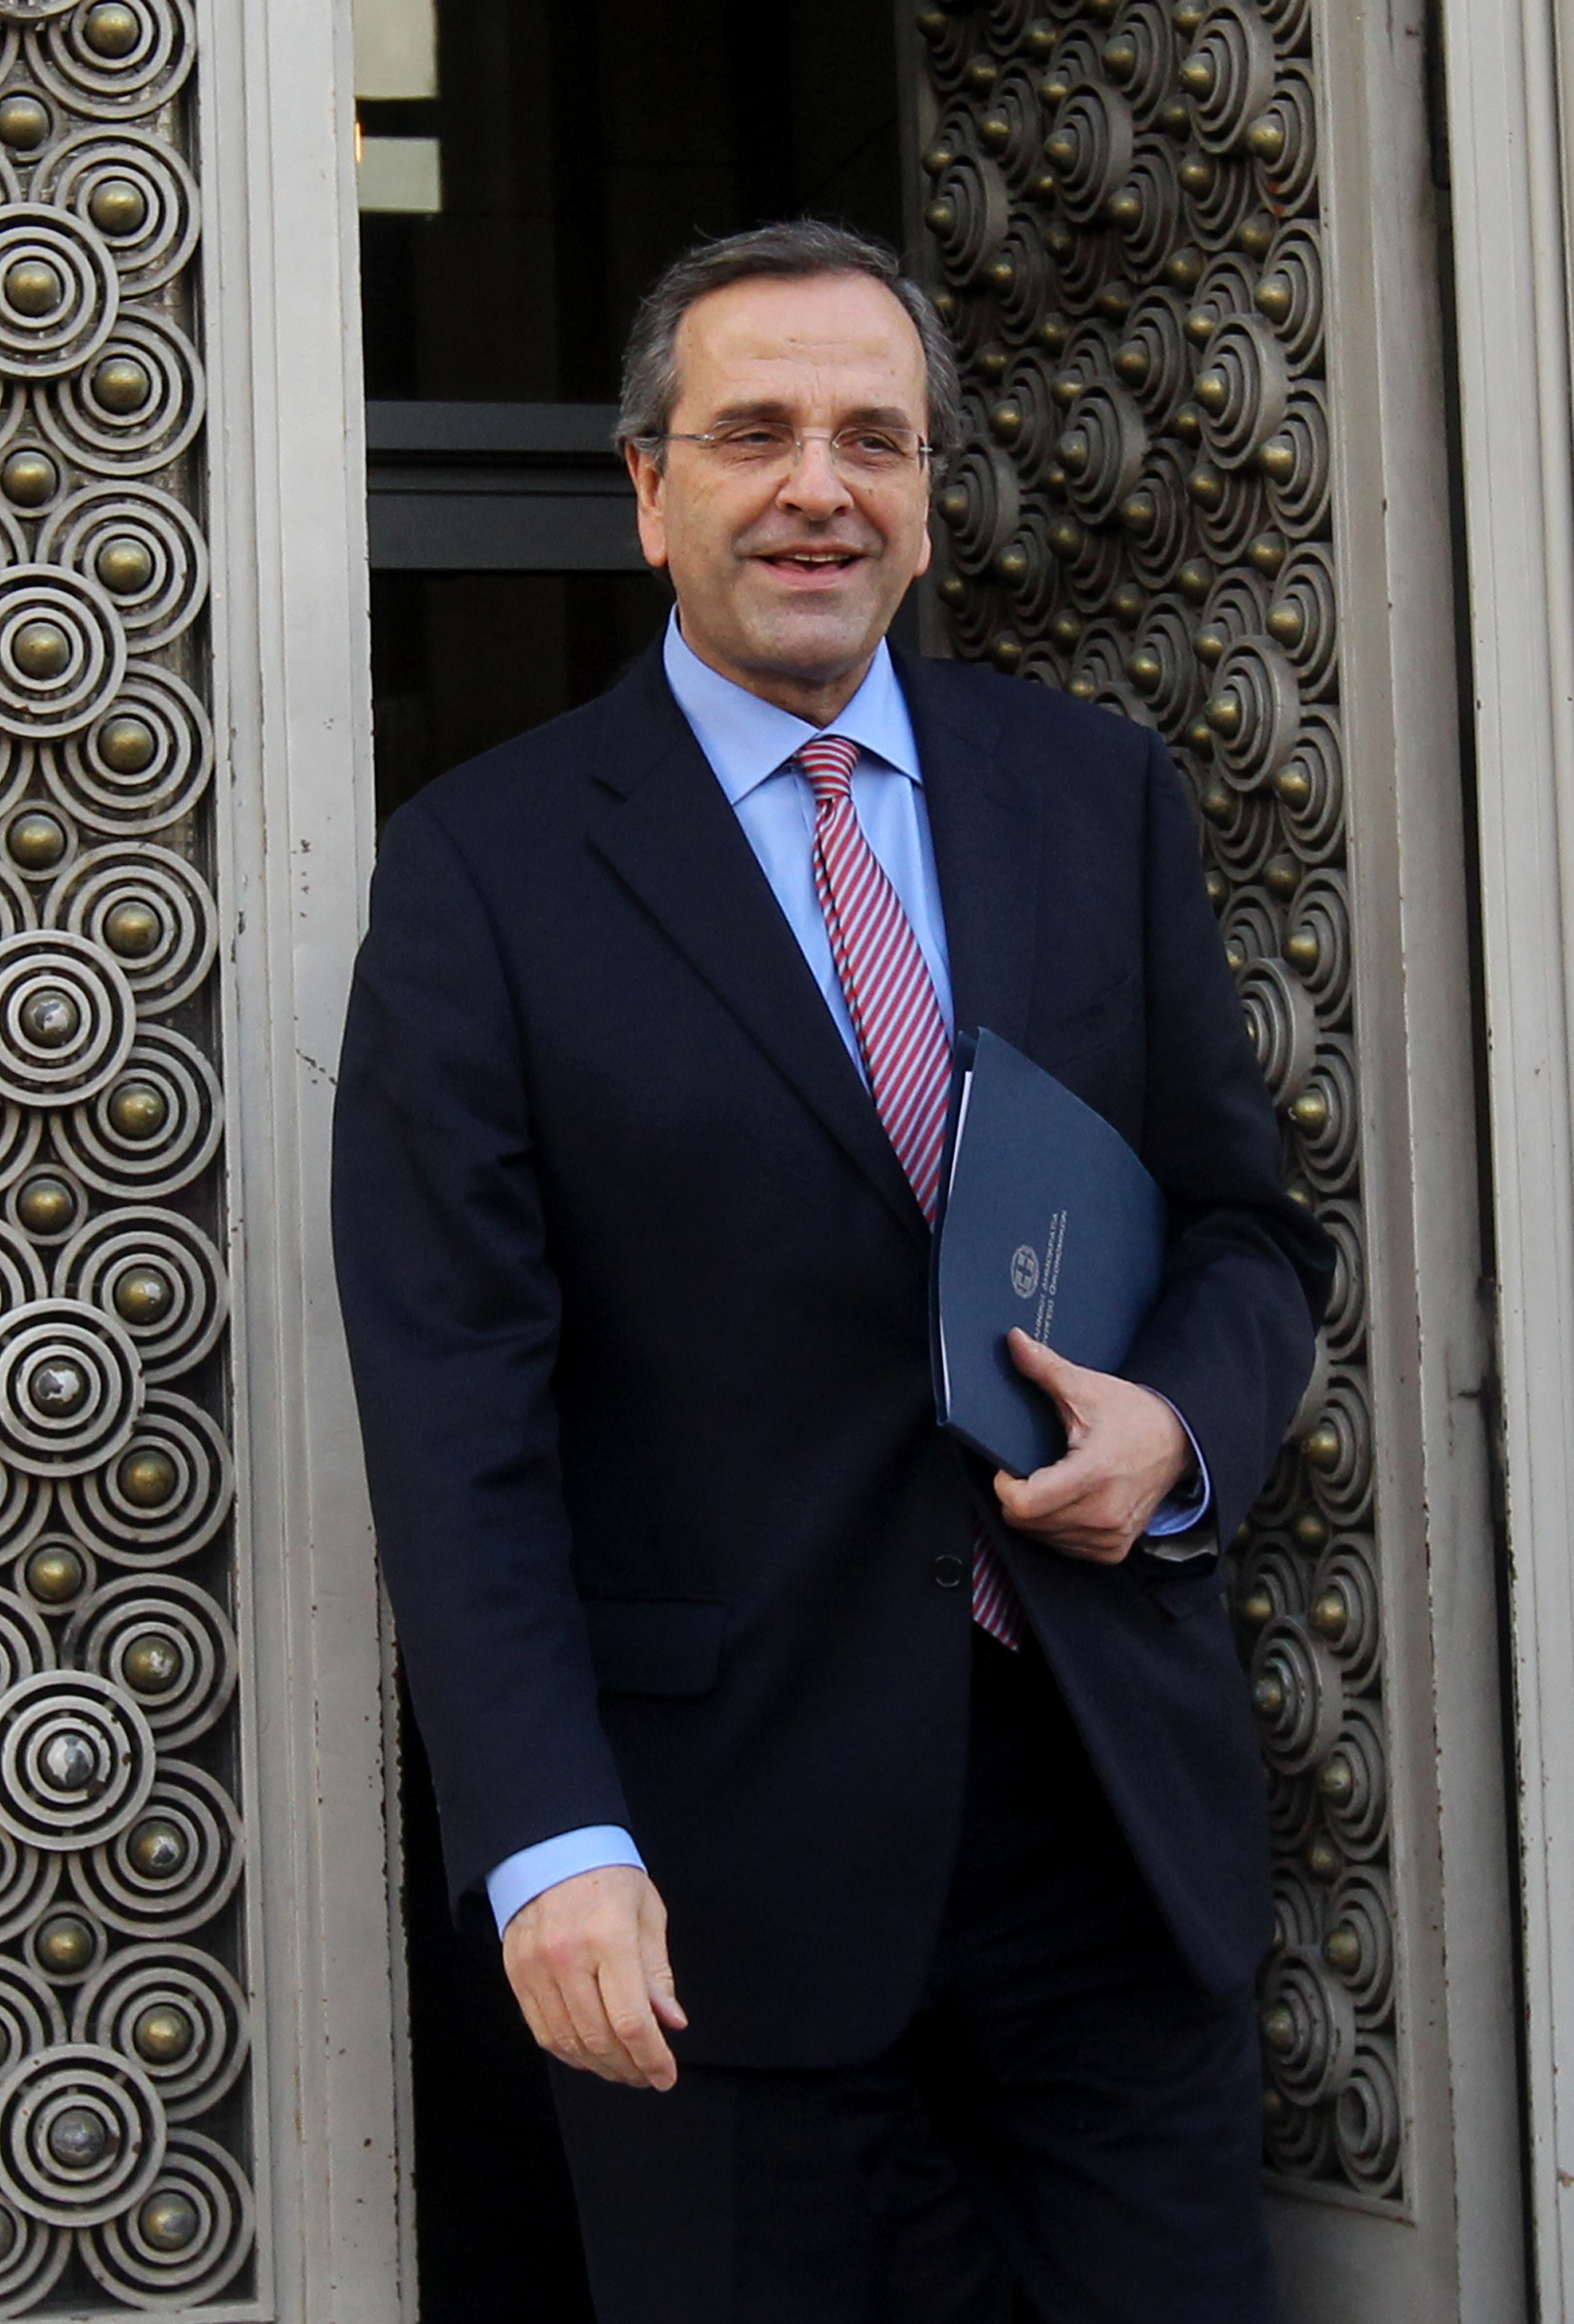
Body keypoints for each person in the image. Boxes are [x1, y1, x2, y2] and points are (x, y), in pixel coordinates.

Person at [332, 218, 1325, 2322]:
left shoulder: (1095, 792)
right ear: (648, 486)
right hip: (712, 1877)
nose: (819, 487)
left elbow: (1244, 1229)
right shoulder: (485, 870)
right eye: (755, 432)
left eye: (873, 437)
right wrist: (550, 1842)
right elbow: (453, 1411)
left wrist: (1179, 1429)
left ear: (928, 491)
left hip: (1100, 1826)